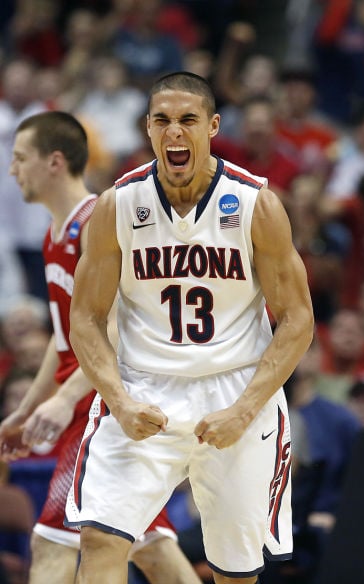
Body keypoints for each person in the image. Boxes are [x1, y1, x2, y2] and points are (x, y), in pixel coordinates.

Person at [66, 72, 314, 584]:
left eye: (187, 120)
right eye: (162, 121)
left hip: (236, 389)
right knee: (99, 537)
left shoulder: (255, 204)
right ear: (148, 129)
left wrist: (244, 410)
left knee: (234, 573)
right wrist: (118, 399)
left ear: (213, 126)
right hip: (143, 389)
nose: (174, 132)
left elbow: (298, 318)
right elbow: (85, 318)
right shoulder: (117, 205)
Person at [0, 111, 202, 584]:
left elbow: (114, 330)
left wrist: (67, 399)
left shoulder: (96, 223)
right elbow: (65, 335)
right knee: (150, 547)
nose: (13, 170)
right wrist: (29, 409)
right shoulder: (56, 233)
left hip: (107, 401)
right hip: (89, 398)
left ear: (54, 162)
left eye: (20, 158)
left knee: (52, 542)